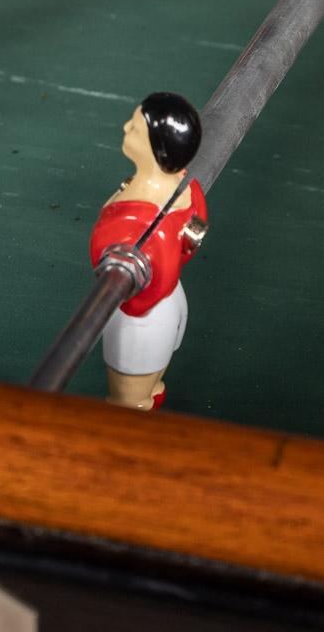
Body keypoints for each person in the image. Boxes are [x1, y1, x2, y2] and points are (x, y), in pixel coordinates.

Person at [89, 93, 207, 410]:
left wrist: (126, 290)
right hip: (171, 304)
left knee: (127, 403)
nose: (126, 127)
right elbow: (194, 234)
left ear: (160, 151)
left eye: (136, 129)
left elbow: (163, 267)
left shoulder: (136, 222)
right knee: (150, 389)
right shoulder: (185, 187)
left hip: (139, 318)